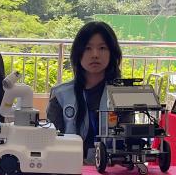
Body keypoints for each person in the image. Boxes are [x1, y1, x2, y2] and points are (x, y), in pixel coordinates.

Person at [47, 21, 122, 161]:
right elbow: (51, 140)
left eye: (102, 48)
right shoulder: (61, 95)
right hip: (68, 166)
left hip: (113, 168)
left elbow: (128, 140)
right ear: (78, 53)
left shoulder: (123, 94)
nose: (95, 55)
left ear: (112, 53)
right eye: (88, 48)